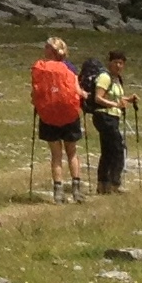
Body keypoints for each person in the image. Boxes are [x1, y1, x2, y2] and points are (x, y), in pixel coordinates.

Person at [30, 37, 87, 202]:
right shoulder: (69, 67)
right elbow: (76, 90)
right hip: (69, 114)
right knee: (72, 153)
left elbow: (35, 92)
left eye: (46, 47)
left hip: (48, 115)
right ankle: (76, 190)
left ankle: (58, 192)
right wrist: (84, 96)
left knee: (56, 155)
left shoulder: (41, 68)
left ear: (50, 50)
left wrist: (37, 103)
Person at [88, 49, 137, 196]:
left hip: (111, 117)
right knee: (119, 149)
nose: (119, 65)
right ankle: (115, 183)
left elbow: (115, 97)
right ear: (109, 63)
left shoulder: (117, 79)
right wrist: (116, 105)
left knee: (108, 151)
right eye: (116, 62)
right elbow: (98, 98)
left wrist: (128, 99)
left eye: (121, 63)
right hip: (104, 116)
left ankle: (103, 185)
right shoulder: (105, 77)